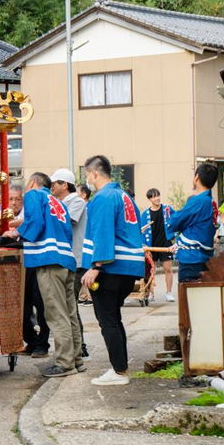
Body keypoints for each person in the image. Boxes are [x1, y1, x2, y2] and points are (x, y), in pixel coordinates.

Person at [80, 155, 145, 386]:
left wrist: (95, 266)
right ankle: (120, 369)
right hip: (128, 268)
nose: (87, 179)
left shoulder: (103, 198)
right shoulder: (124, 196)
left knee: (107, 320)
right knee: (114, 319)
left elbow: (102, 233)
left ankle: (119, 372)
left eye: (87, 174)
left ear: (94, 174)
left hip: (110, 268)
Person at [11, 172, 81, 378]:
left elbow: (35, 223)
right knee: (69, 313)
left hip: (49, 260)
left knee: (55, 313)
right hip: (66, 259)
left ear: (32, 183)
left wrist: (16, 233)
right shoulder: (57, 202)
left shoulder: (34, 195)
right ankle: (75, 359)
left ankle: (65, 363)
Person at [4, 183, 49, 359]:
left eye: (18, 199)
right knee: (22, 304)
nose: (14, 203)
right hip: (14, 263)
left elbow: (32, 221)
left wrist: (14, 227)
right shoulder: (5, 213)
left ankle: (42, 343)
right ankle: (30, 340)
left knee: (39, 301)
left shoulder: (30, 212)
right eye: (11, 199)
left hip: (34, 261)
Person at [51, 168, 89, 358]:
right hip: (67, 259)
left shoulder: (76, 201)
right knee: (67, 305)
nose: (51, 188)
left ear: (64, 185)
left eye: (54, 184)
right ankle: (78, 346)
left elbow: (66, 221)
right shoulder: (61, 202)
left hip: (76, 260)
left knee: (70, 306)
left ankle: (79, 347)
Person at [166, 164, 219, 284]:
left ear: (196, 177)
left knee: (189, 298)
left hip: (192, 258)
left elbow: (175, 221)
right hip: (203, 256)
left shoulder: (198, 201)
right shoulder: (210, 201)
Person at [141, 188, 176, 303]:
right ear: (149, 199)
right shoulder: (145, 214)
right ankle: (151, 293)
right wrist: (144, 245)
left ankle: (169, 292)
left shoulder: (167, 209)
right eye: (153, 197)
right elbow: (142, 230)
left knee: (168, 268)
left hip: (166, 242)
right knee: (152, 270)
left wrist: (175, 238)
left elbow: (177, 221)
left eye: (158, 195)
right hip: (151, 244)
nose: (157, 198)